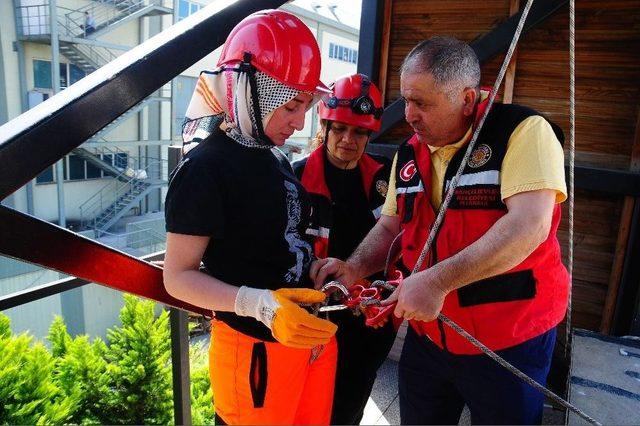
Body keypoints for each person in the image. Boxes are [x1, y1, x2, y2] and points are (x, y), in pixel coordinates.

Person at [311, 36, 569, 424]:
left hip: (508, 340)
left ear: (467, 99)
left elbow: (528, 226)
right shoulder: (409, 153)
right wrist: (353, 269)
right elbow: (390, 225)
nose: (409, 115)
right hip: (431, 336)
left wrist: (434, 282)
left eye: (422, 103)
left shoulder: (523, 132)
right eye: (407, 100)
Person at [162, 10, 338, 425]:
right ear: (250, 90)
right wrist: (259, 305)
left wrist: (314, 267)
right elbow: (177, 277)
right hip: (253, 347)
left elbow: (277, 240)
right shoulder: (205, 168)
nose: (300, 123)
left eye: (306, 106)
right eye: (291, 105)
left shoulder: (273, 157)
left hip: (305, 336)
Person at [293, 74, 397, 425]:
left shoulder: (385, 184)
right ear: (326, 126)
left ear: (370, 135)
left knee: (347, 410)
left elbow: (402, 243)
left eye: (358, 132)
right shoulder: (294, 181)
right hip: (310, 317)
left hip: (365, 322)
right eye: (339, 129)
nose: (347, 140)